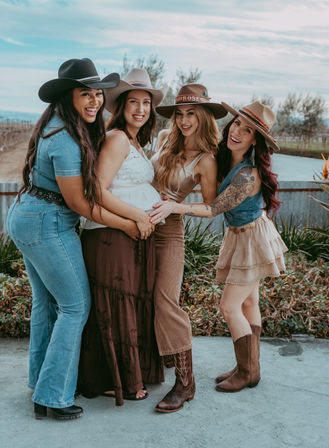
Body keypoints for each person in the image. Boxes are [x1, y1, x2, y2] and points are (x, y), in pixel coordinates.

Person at [5, 58, 141, 420]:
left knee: (46, 304)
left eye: (98, 93)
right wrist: (127, 223)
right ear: (69, 96)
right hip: (47, 224)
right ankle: (52, 396)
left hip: (27, 216)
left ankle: (41, 382)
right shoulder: (65, 139)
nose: (95, 101)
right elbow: (80, 203)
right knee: (75, 307)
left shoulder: (56, 123)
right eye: (86, 94)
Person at [150, 101, 288, 393]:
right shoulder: (227, 159)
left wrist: (176, 206)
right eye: (237, 123)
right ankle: (249, 366)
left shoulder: (248, 175)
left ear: (255, 140)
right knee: (249, 303)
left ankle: (248, 372)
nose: (237, 131)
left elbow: (213, 208)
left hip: (252, 238)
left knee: (229, 306)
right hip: (242, 235)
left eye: (247, 130)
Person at [77, 69, 166, 405]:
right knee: (115, 306)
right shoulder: (115, 138)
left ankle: (130, 372)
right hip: (111, 237)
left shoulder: (134, 142)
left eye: (146, 103)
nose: (141, 109)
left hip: (131, 236)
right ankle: (110, 380)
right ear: (121, 106)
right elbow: (97, 191)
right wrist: (137, 216)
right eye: (134, 102)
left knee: (129, 302)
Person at [151, 84, 227, 412]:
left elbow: (212, 208)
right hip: (135, 225)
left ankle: (186, 383)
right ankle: (147, 368)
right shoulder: (164, 140)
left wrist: (175, 207)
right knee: (139, 296)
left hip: (168, 232)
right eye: (180, 113)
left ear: (204, 116)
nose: (184, 120)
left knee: (166, 302)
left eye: (191, 114)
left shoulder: (206, 160)